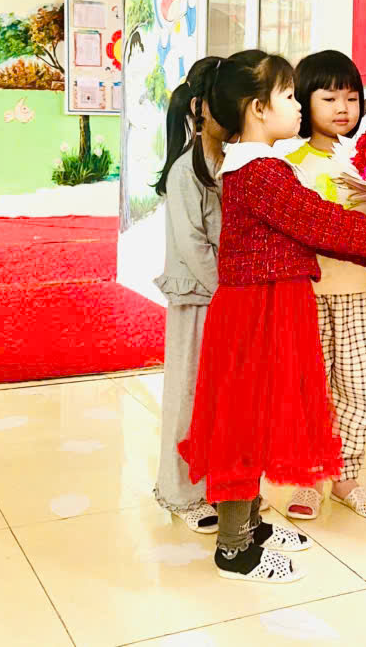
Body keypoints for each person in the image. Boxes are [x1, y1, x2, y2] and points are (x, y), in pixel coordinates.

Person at [178, 53, 366, 583]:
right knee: (244, 426)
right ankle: (235, 550)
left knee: (257, 416)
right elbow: (321, 223)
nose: (297, 106)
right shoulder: (259, 172)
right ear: (257, 108)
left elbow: (317, 228)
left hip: (271, 304)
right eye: (288, 96)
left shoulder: (260, 165)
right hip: (258, 310)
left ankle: (251, 525)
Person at [284, 50, 366, 522]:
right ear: (303, 101)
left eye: (351, 98)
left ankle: (346, 475)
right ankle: (310, 476)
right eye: (329, 97)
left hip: (360, 296)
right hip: (306, 297)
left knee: (361, 388)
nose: (342, 108)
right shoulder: (289, 162)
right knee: (309, 391)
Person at [151, 56, 225, 533]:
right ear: (201, 108)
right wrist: (224, 292)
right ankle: (179, 492)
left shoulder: (227, 161)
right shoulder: (185, 170)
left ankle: (215, 484)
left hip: (222, 298)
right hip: (199, 299)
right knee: (187, 395)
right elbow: (194, 244)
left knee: (216, 399)